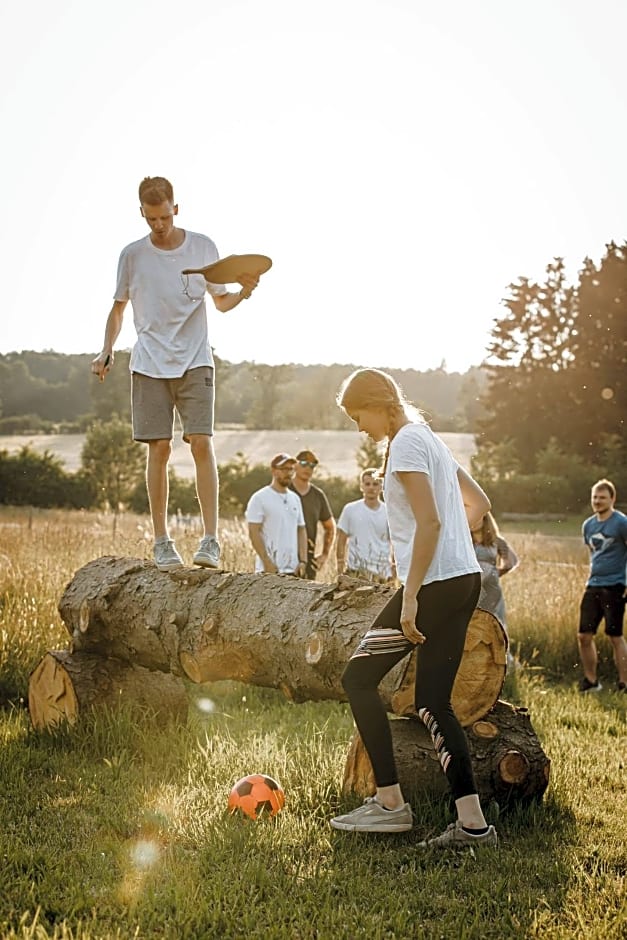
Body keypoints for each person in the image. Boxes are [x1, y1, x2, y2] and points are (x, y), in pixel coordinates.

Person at [329, 368, 497, 849]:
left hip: (436, 586)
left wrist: (410, 592)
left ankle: (389, 805)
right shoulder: (431, 439)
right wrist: (447, 549)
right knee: (433, 703)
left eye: (357, 415)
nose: (359, 426)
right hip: (464, 578)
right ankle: (472, 825)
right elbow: (479, 503)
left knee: (358, 679)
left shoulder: (404, 442)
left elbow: (429, 521)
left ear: (377, 403)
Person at [91, 176, 261, 572]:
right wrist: (106, 349)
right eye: (151, 219)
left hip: (195, 359)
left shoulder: (203, 247)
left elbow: (221, 302)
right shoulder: (132, 255)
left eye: (164, 216)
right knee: (160, 449)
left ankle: (211, 540)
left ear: (176, 209)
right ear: (142, 215)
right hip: (149, 362)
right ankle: (162, 542)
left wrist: (246, 291)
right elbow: (118, 308)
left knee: (201, 442)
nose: (159, 225)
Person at [577, 479, 627, 693]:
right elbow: (593, 552)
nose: (597, 501)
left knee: (615, 636)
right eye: (595, 497)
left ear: (612, 499)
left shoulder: (621, 523)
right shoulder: (588, 525)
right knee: (583, 636)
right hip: (593, 584)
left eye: (602, 497)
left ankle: (624, 683)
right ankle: (591, 681)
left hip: (615, 585)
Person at [246, 454, 308, 576]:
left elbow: (301, 530)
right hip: (268, 571)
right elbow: (253, 532)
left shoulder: (295, 498)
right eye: (284, 469)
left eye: (291, 469)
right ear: (274, 471)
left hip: (293, 571)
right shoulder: (259, 498)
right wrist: (267, 562)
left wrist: (303, 561)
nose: (289, 473)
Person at [336, 469, 395, 582]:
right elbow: (341, 539)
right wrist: (340, 566)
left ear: (381, 486)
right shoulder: (350, 509)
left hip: (382, 573)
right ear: (361, 486)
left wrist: (394, 569)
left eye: (375, 484)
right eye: (367, 484)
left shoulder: (389, 512)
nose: (371, 488)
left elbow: (394, 543)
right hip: (356, 571)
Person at [288, 449, 336, 580]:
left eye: (312, 465)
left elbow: (330, 527)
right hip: (282, 559)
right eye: (303, 463)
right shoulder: (284, 490)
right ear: (295, 465)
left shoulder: (317, 495)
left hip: (308, 561)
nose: (307, 468)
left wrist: (325, 555)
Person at [470, 512, 519, 633]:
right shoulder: (464, 539)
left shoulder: (496, 541)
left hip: (491, 590)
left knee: (494, 627)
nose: (474, 521)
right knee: (472, 627)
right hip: (470, 589)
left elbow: (512, 562)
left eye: (478, 518)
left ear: (485, 519)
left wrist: (495, 573)